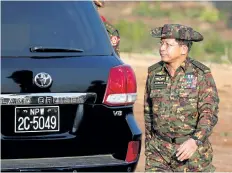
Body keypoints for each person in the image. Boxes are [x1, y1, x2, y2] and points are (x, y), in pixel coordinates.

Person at [144, 24, 220, 172]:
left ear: (183, 49)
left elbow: (209, 113)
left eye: (168, 44)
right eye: (161, 43)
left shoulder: (201, 74)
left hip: (191, 152)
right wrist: (150, 144)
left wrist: (195, 141)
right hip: (158, 151)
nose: (162, 48)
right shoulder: (154, 73)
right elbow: (148, 113)